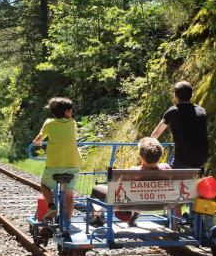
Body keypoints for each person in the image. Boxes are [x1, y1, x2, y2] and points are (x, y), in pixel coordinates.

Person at [90, 137, 171, 228]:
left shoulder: (132, 172)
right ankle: (134, 218)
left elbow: (117, 192)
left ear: (141, 156)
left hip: (129, 203)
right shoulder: (166, 169)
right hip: (157, 203)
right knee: (144, 193)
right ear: (160, 154)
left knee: (96, 189)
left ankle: (97, 217)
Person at [33, 97, 82, 231]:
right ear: (67, 112)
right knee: (69, 194)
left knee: (44, 185)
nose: (71, 113)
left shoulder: (49, 123)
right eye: (70, 111)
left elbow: (38, 139)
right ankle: (67, 223)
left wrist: (38, 142)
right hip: (73, 164)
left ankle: (52, 206)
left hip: (54, 164)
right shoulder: (72, 123)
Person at [151, 81, 209, 170]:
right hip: (202, 159)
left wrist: (148, 144)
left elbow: (157, 132)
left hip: (181, 161)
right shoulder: (202, 111)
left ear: (175, 97)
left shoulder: (173, 112)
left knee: (165, 168)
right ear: (191, 96)